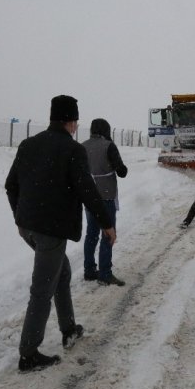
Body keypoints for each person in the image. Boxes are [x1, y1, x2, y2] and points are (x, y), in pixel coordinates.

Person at [5, 95, 116, 372]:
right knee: (42, 289)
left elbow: (10, 185)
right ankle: (28, 353)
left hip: (27, 227)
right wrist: (106, 223)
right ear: (71, 121)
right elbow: (87, 191)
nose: (76, 125)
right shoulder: (72, 149)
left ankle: (69, 329)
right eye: (76, 120)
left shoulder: (29, 144)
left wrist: (20, 217)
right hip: (49, 231)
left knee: (62, 273)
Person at [81, 118, 128, 286]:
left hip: (89, 196)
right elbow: (121, 171)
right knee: (108, 233)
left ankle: (89, 270)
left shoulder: (82, 146)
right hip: (106, 195)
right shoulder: (109, 146)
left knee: (91, 234)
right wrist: (120, 168)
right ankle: (105, 272)